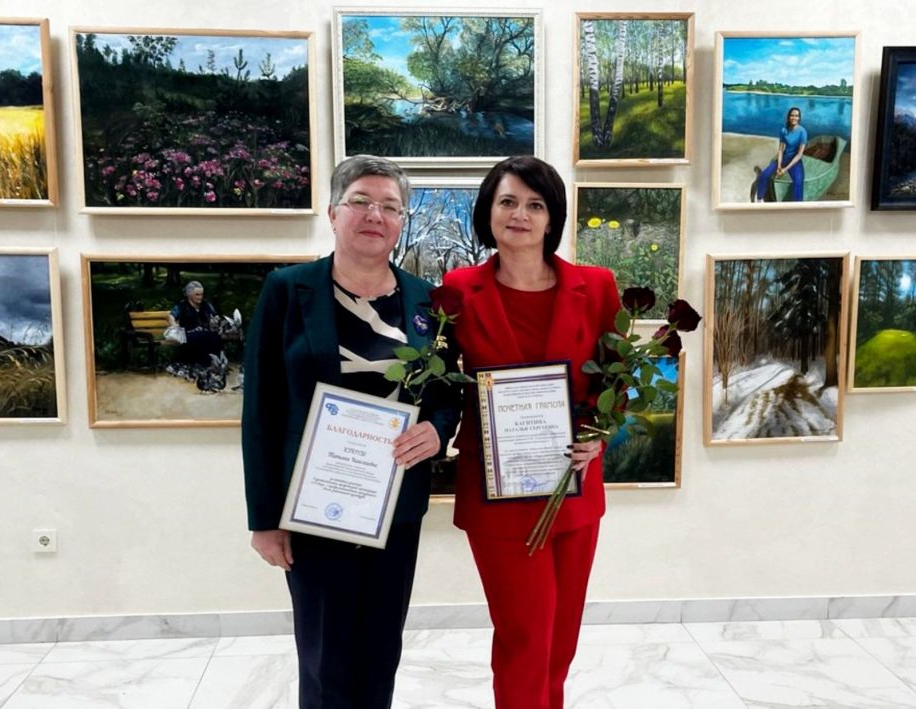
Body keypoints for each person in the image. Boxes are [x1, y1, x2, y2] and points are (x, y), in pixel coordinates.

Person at [241, 155, 462, 709]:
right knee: (324, 656)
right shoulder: (288, 290)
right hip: (313, 508)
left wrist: (438, 431)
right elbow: (261, 409)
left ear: (401, 221)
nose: (374, 215)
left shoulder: (426, 301)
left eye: (390, 206)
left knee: (380, 651)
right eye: (360, 201)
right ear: (333, 213)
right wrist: (264, 519)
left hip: (395, 505)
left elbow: (446, 394)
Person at [441, 156, 621, 709]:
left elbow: (616, 380)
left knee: (560, 640)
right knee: (525, 637)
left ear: (552, 218)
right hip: (497, 494)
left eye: (535, 204)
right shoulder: (457, 290)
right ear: (488, 212)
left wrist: (601, 433)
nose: (520, 214)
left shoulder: (597, 287)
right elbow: (444, 382)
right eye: (508, 202)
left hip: (573, 487)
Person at [755, 106, 808, 202]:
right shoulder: (784, 130)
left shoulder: (802, 132)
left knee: (798, 181)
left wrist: (785, 169)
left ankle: (797, 206)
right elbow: (780, 150)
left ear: (799, 118)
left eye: (796, 116)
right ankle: (759, 199)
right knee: (763, 175)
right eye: (792, 115)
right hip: (784, 158)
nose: (794, 118)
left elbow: (799, 154)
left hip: (795, 161)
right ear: (788, 117)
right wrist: (779, 165)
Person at [168, 280, 222, 366]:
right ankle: (203, 363)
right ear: (189, 295)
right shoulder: (182, 306)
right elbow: (171, 316)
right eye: (197, 294)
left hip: (205, 332)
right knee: (202, 337)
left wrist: (215, 320)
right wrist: (174, 326)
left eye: (201, 294)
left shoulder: (206, 305)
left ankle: (215, 363)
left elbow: (215, 316)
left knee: (215, 336)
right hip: (188, 333)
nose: (200, 297)